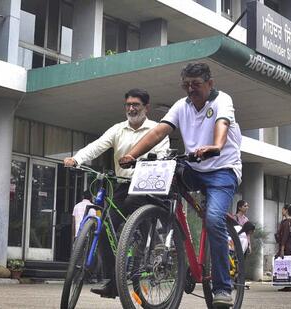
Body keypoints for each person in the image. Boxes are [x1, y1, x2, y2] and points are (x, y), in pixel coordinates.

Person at [119, 62, 242, 307]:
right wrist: (132, 154)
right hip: (193, 168)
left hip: (222, 171)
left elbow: (223, 124)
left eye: (195, 85)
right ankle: (164, 229)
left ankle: (222, 288)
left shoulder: (222, 100)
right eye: (186, 85)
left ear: (210, 84)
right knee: (160, 182)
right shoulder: (181, 106)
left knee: (214, 219)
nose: (190, 90)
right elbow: (158, 132)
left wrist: (216, 147)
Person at [63, 88, 169, 298]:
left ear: (146, 107)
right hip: (123, 184)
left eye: (136, 105)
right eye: (128, 104)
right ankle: (113, 281)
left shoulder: (157, 129)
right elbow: (96, 146)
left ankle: (150, 239)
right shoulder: (118, 129)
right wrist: (77, 159)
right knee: (102, 227)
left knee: (132, 204)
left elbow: (163, 155)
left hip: (148, 184)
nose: (131, 108)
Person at [275, 204, 291, 292]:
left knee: (286, 266)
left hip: (286, 247)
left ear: (286, 210)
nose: (282, 211)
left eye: (283, 210)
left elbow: (285, 236)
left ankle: (289, 286)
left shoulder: (287, 222)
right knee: (289, 266)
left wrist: (282, 249)